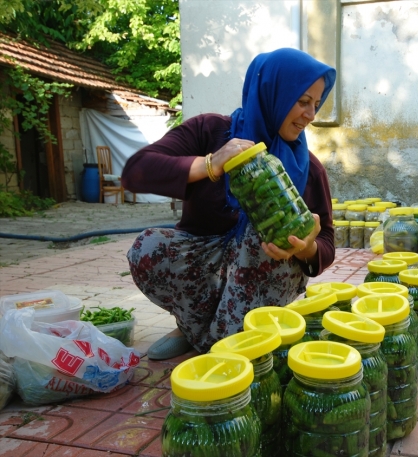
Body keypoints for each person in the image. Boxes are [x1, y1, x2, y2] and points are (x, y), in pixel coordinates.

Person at [121, 48, 336, 360]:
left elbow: (327, 244)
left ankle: (224, 347)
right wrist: (212, 163)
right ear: (272, 91)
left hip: (268, 274)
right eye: (303, 101)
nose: (311, 114)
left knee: (257, 229)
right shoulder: (209, 131)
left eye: (316, 104)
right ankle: (196, 329)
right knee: (148, 248)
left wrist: (304, 246)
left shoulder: (309, 168)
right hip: (207, 262)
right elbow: (136, 171)